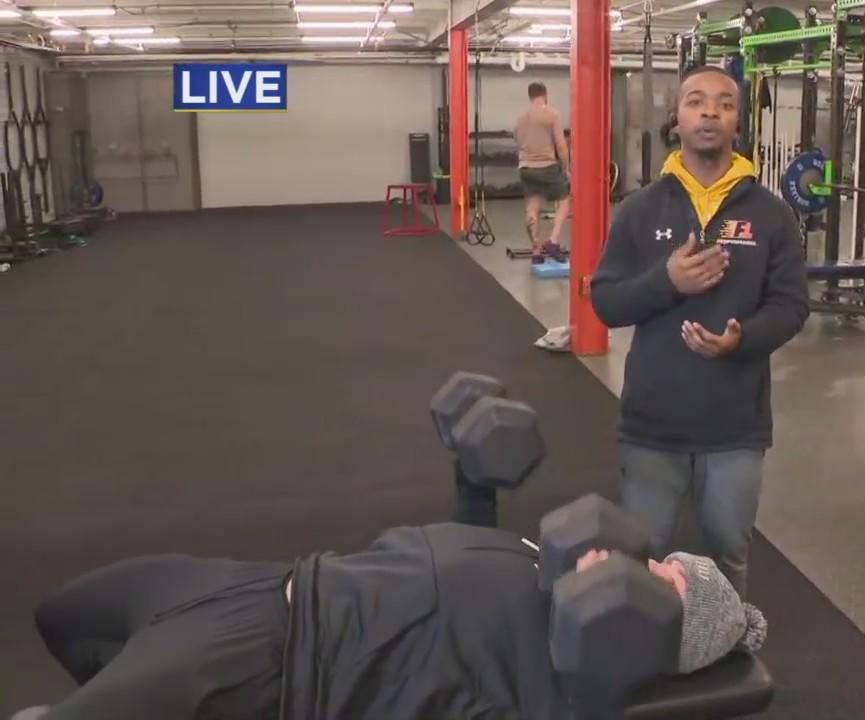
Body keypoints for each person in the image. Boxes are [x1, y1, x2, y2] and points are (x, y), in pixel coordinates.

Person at [20, 505, 767, 720]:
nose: (640, 566)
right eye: (659, 562)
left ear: (653, 641)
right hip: (254, 581)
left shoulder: (549, 693)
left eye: (662, 584)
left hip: (259, 659)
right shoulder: (549, 567)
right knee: (65, 617)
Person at [589, 64, 809, 596]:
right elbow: (607, 302)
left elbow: (791, 305)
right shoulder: (639, 210)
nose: (710, 111)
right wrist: (667, 281)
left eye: (724, 104)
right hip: (653, 423)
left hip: (735, 424)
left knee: (728, 552)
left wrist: (742, 340)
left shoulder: (772, 215)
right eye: (695, 101)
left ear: (739, 123)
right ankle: (643, 643)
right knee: (641, 557)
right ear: (676, 119)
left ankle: (724, 638)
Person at [514, 81, 571, 263]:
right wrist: (566, 169)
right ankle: (553, 241)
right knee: (564, 201)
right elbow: (561, 146)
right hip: (547, 166)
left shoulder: (520, 118)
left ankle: (536, 251)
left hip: (526, 167)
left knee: (532, 209)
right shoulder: (552, 115)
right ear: (545, 95)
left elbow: (518, 141)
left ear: (530, 96)